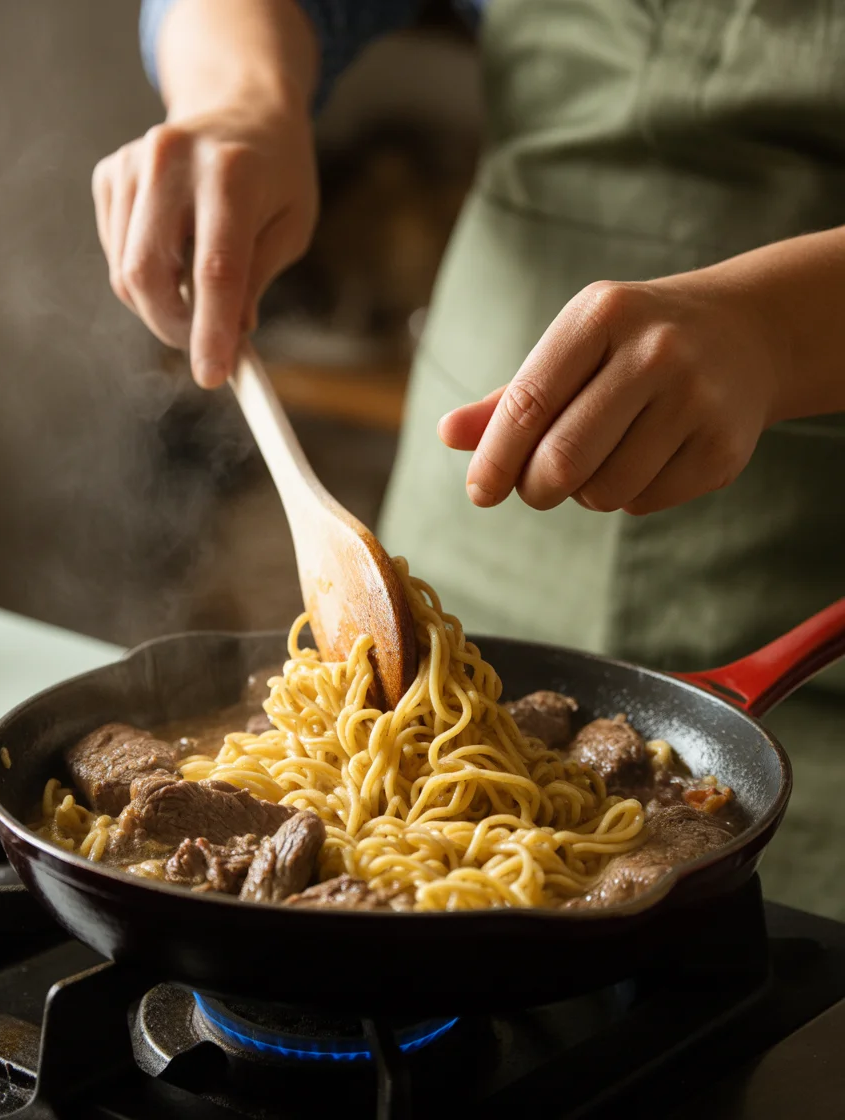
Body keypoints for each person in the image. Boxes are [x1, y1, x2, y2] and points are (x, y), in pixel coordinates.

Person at [93, 0, 845, 919]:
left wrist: (778, 330)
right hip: (482, 492)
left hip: (807, 578)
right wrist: (238, 99)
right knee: (388, 709)